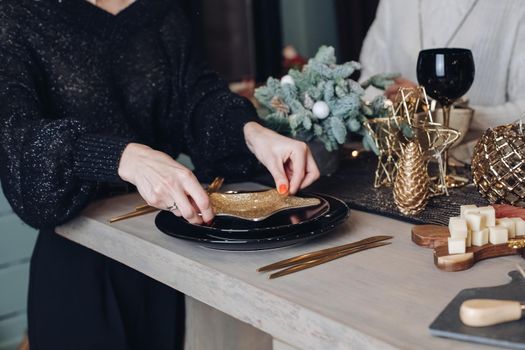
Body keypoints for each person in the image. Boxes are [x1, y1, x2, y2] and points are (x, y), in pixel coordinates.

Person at [0, 0, 320, 348]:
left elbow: (198, 98)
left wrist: (252, 133)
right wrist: (123, 158)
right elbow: (17, 143)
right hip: (78, 265)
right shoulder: (17, 14)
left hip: (158, 254)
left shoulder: (161, 10)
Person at [360, 0, 525, 131]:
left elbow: (522, 110)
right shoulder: (392, 4)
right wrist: (395, 104)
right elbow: (366, 87)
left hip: (476, 164)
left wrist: (433, 109)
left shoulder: (516, 6)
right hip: (401, 162)